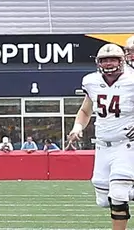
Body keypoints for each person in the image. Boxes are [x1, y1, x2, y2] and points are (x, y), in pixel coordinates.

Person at [70, 43, 134, 230]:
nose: (108, 64)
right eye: (104, 60)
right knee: (103, 200)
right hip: (102, 146)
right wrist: (77, 127)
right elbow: (85, 110)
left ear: (122, 61)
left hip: (126, 143)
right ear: (98, 62)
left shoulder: (131, 80)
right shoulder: (91, 81)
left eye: (113, 59)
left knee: (118, 193)